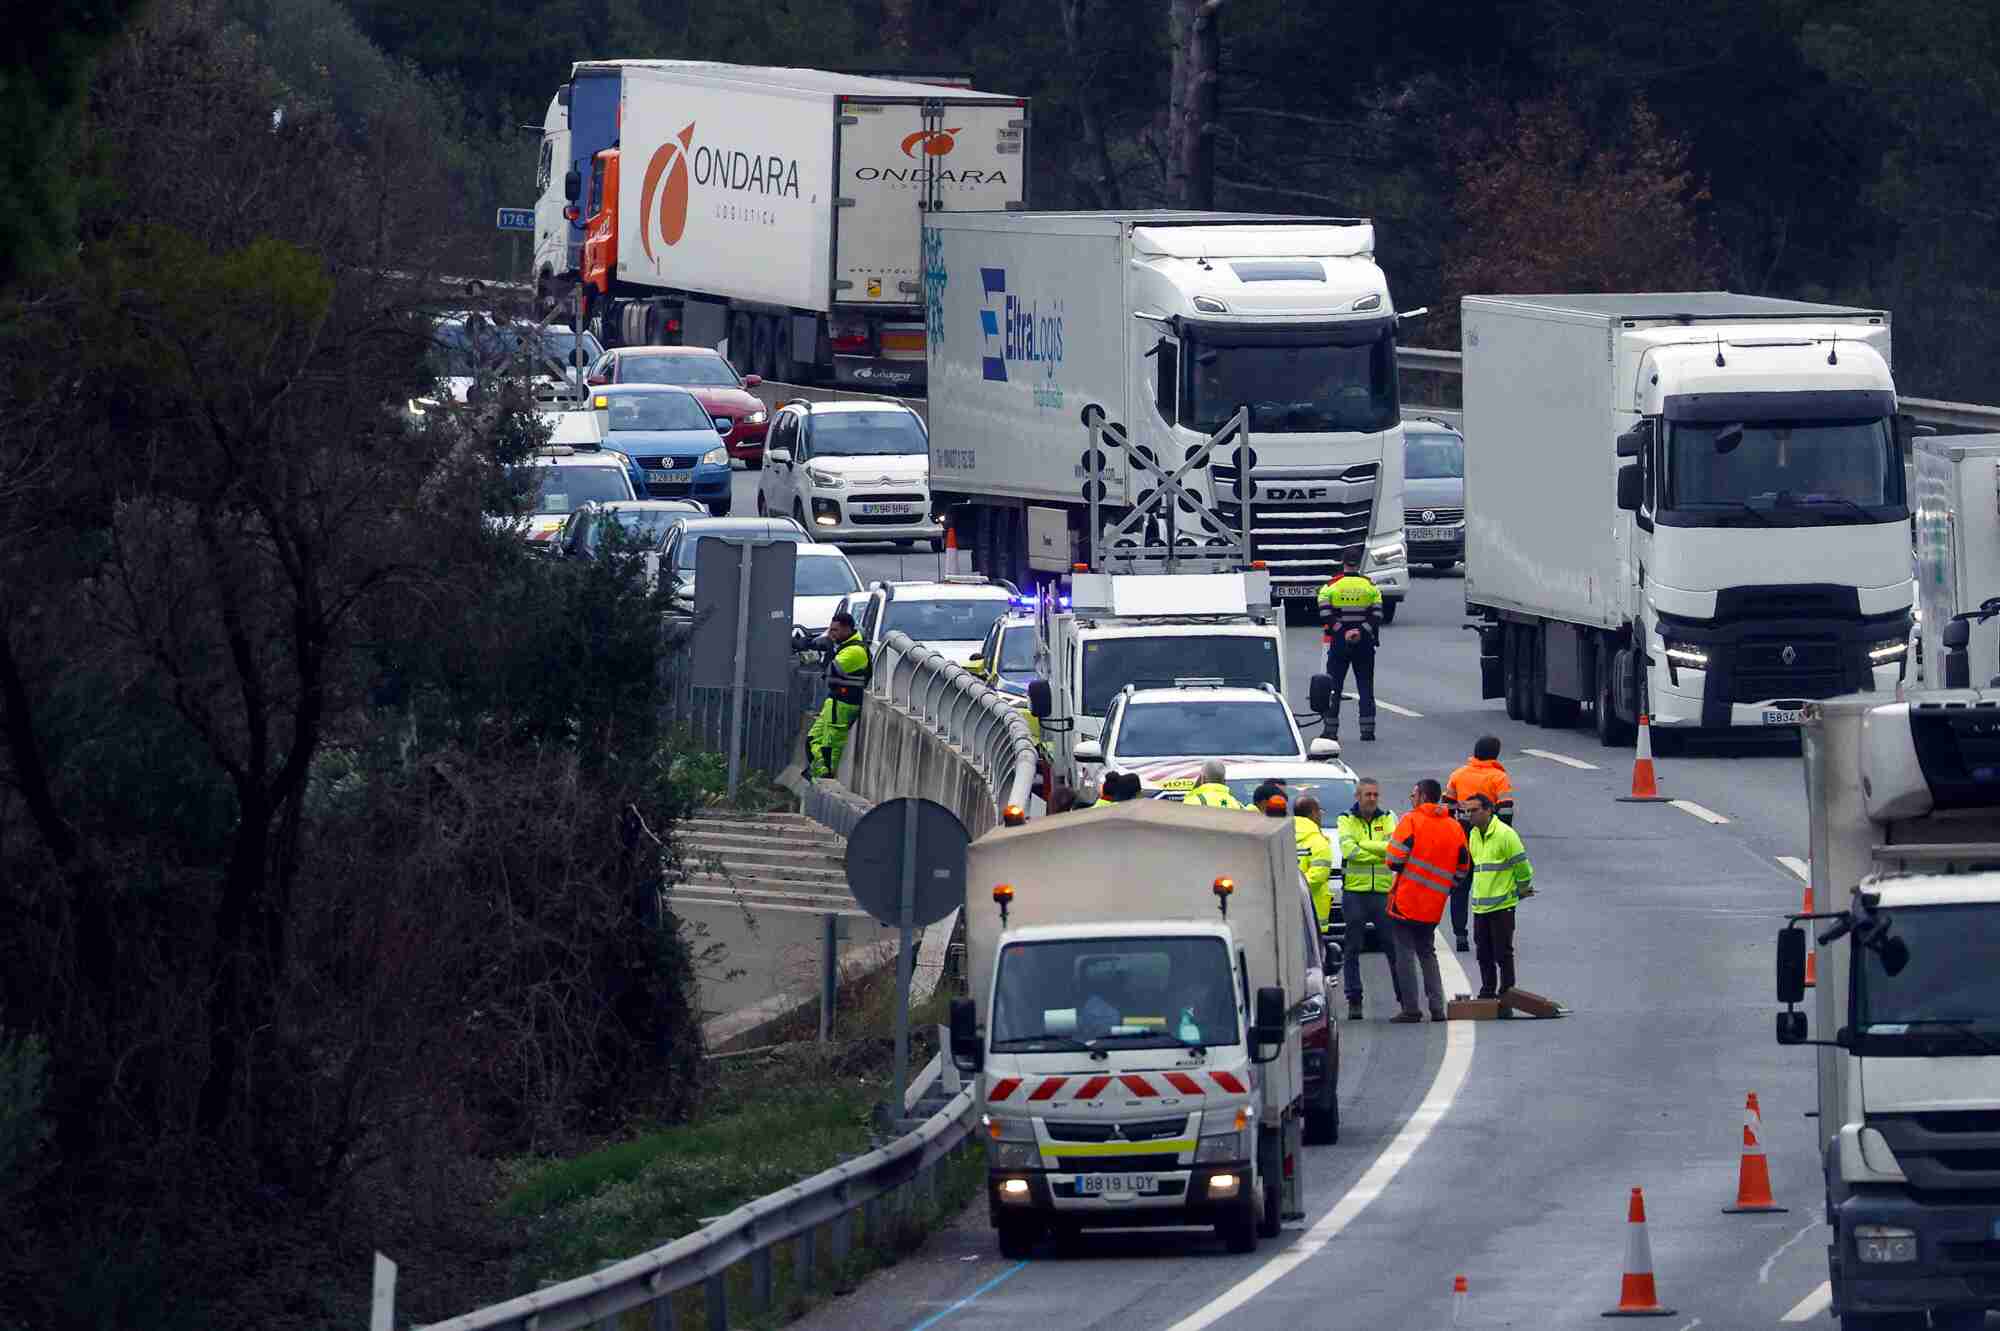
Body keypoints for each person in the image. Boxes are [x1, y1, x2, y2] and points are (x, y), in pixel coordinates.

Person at [1384, 778, 1470, 1024]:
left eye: (1413, 794)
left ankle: (1411, 1009)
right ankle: (1437, 1009)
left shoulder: (1410, 821)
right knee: (1427, 953)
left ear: (1422, 796)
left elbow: (1393, 860)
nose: (1411, 799)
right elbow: (1463, 867)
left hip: (1406, 901)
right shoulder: (1454, 827)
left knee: (1405, 955)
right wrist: (1443, 889)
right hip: (1433, 905)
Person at [1336, 779, 1404, 1019]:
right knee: (1353, 947)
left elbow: (1394, 849)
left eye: (1376, 794)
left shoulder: (1387, 817)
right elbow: (1348, 851)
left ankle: (1404, 999)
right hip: (1355, 892)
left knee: (1392, 946)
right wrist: (1378, 850)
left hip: (1383, 892)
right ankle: (1354, 1000)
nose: (1372, 798)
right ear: (1358, 796)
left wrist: (1363, 846)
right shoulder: (1345, 819)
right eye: (1367, 794)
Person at [1442, 736, 1516, 953]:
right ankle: (1489, 934)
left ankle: (1460, 935)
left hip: (1462, 834)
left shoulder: (1458, 775)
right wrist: (1501, 835)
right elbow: (1506, 810)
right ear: (1496, 754)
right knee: (1490, 887)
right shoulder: (1499, 777)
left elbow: (1447, 808)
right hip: (1488, 835)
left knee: (1460, 886)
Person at [1464, 793, 1535, 998]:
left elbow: (1523, 869)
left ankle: (1507, 993)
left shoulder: (1505, 834)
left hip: (1503, 905)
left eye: (1474, 810)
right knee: (1483, 953)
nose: (1470, 815)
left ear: (1488, 810)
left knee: (1502, 953)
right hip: (1480, 906)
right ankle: (1487, 991)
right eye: (1467, 811)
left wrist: (1518, 892)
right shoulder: (1474, 834)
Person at [1317, 551, 1382, 742]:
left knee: (1334, 687)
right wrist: (1360, 631)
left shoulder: (1330, 587)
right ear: (1358, 564)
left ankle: (1330, 731)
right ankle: (1367, 730)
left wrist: (1341, 631)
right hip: (1364, 644)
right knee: (1365, 687)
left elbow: (1324, 613)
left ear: (1342, 563)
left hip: (1339, 644)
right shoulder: (1370, 586)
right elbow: (1377, 615)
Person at [807, 611, 870, 779]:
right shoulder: (844, 647)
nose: (831, 634)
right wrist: (808, 645)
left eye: (835, 631)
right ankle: (816, 774)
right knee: (812, 740)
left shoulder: (855, 650)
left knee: (829, 747)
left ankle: (823, 777)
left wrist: (826, 650)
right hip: (834, 701)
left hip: (844, 703)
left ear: (847, 629)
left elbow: (830, 670)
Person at [1294, 796, 1336, 927]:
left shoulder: (1282, 835)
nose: (1320, 815)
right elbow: (1318, 876)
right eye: (1319, 811)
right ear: (1313, 813)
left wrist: (1286, 889)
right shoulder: (1318, 841)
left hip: (1287, 910)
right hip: (1312, 912)